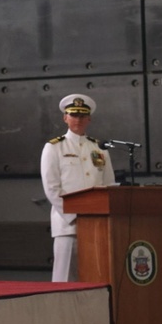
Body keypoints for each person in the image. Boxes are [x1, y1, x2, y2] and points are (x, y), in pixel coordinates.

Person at [40, 93, 115, 282]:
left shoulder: (99, 148)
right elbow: (52, 188)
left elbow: (109, 186)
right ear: (65, 118)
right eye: (74, 115)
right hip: (68, 225)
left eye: (82, 116)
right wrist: (74, 216)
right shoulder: (54, 147)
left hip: (97, 225)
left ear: (89, 118)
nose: (78, 120)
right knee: (64, 279)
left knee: (97, 277)